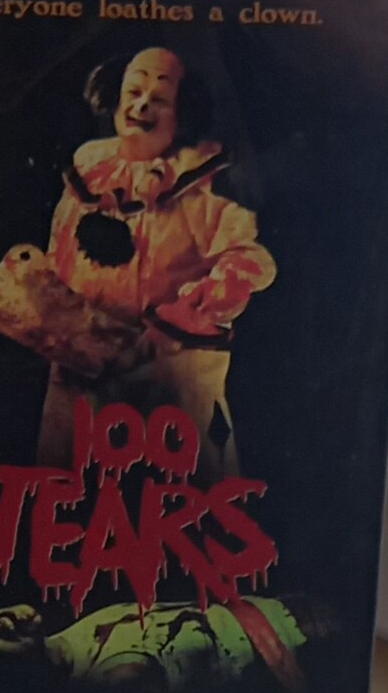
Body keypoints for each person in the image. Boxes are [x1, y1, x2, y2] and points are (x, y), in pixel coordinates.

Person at [37, 47, 276, 483]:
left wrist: (196, 307)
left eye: (159, 99)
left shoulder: (205, 183)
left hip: (167, 375)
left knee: (170, 496)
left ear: (182, 112)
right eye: (134, 92)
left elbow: (247, 259)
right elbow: (61, 250)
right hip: (81, 372)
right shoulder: (89, 167)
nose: (142, 105)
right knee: (75, 492)